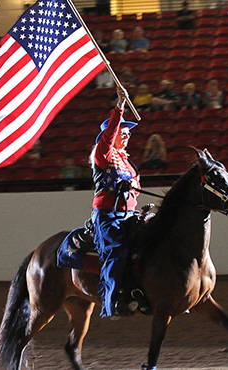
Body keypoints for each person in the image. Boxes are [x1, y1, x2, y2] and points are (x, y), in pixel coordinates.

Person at [91, 86, 141, 318]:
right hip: (107, 215)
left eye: (128, 133)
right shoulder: (104, 155)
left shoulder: (128, 163)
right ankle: (110, 303)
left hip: (128, 215)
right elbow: (109, 134)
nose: (127, 135)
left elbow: (136, 189)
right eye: (123, 131)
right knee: (117, 250)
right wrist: (119, 108)